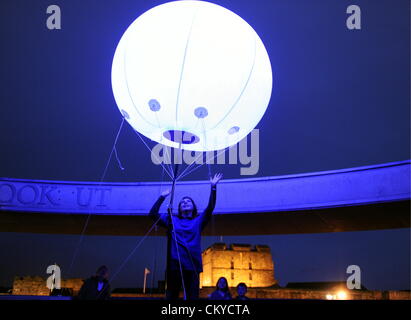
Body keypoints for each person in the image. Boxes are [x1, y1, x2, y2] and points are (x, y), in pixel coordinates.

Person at [149, 173, 223, 300]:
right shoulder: (172, 220)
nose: (185, 202)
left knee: (192, 297)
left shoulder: (199, 220)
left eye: (188, 201)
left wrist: (213, 187)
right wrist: (162, 197)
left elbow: (210, 208)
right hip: (174, 265)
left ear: (193, 207)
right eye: (182, 202)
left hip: (192, 264)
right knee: (171, 297)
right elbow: (152, 214)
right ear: (179, 208)